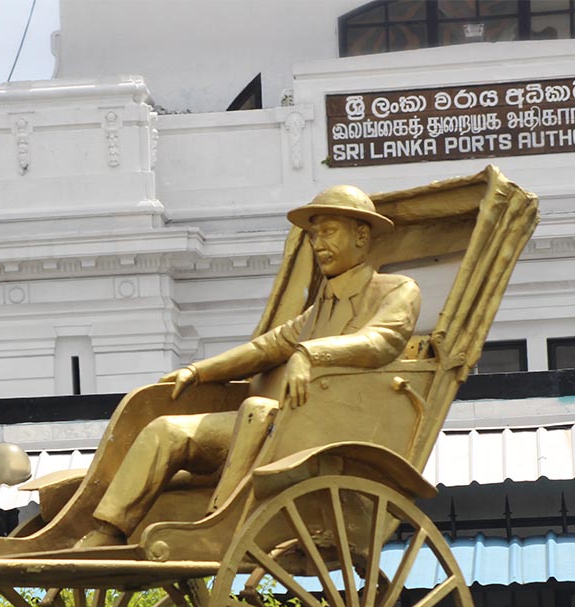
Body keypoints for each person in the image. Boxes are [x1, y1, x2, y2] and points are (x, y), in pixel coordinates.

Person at [77, 185, 421, 547]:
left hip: (336, 430)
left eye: (329, 232)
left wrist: (310, 354)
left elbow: (382, 341)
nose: (318, 244)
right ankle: (108, 530)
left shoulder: (396, 290)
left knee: (258, 409)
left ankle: (217, 520)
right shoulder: (319, 310)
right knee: (166, 429)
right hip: (275, 428)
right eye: (314, 235)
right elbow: (265, 348)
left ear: (362, 235)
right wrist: (198, 371)